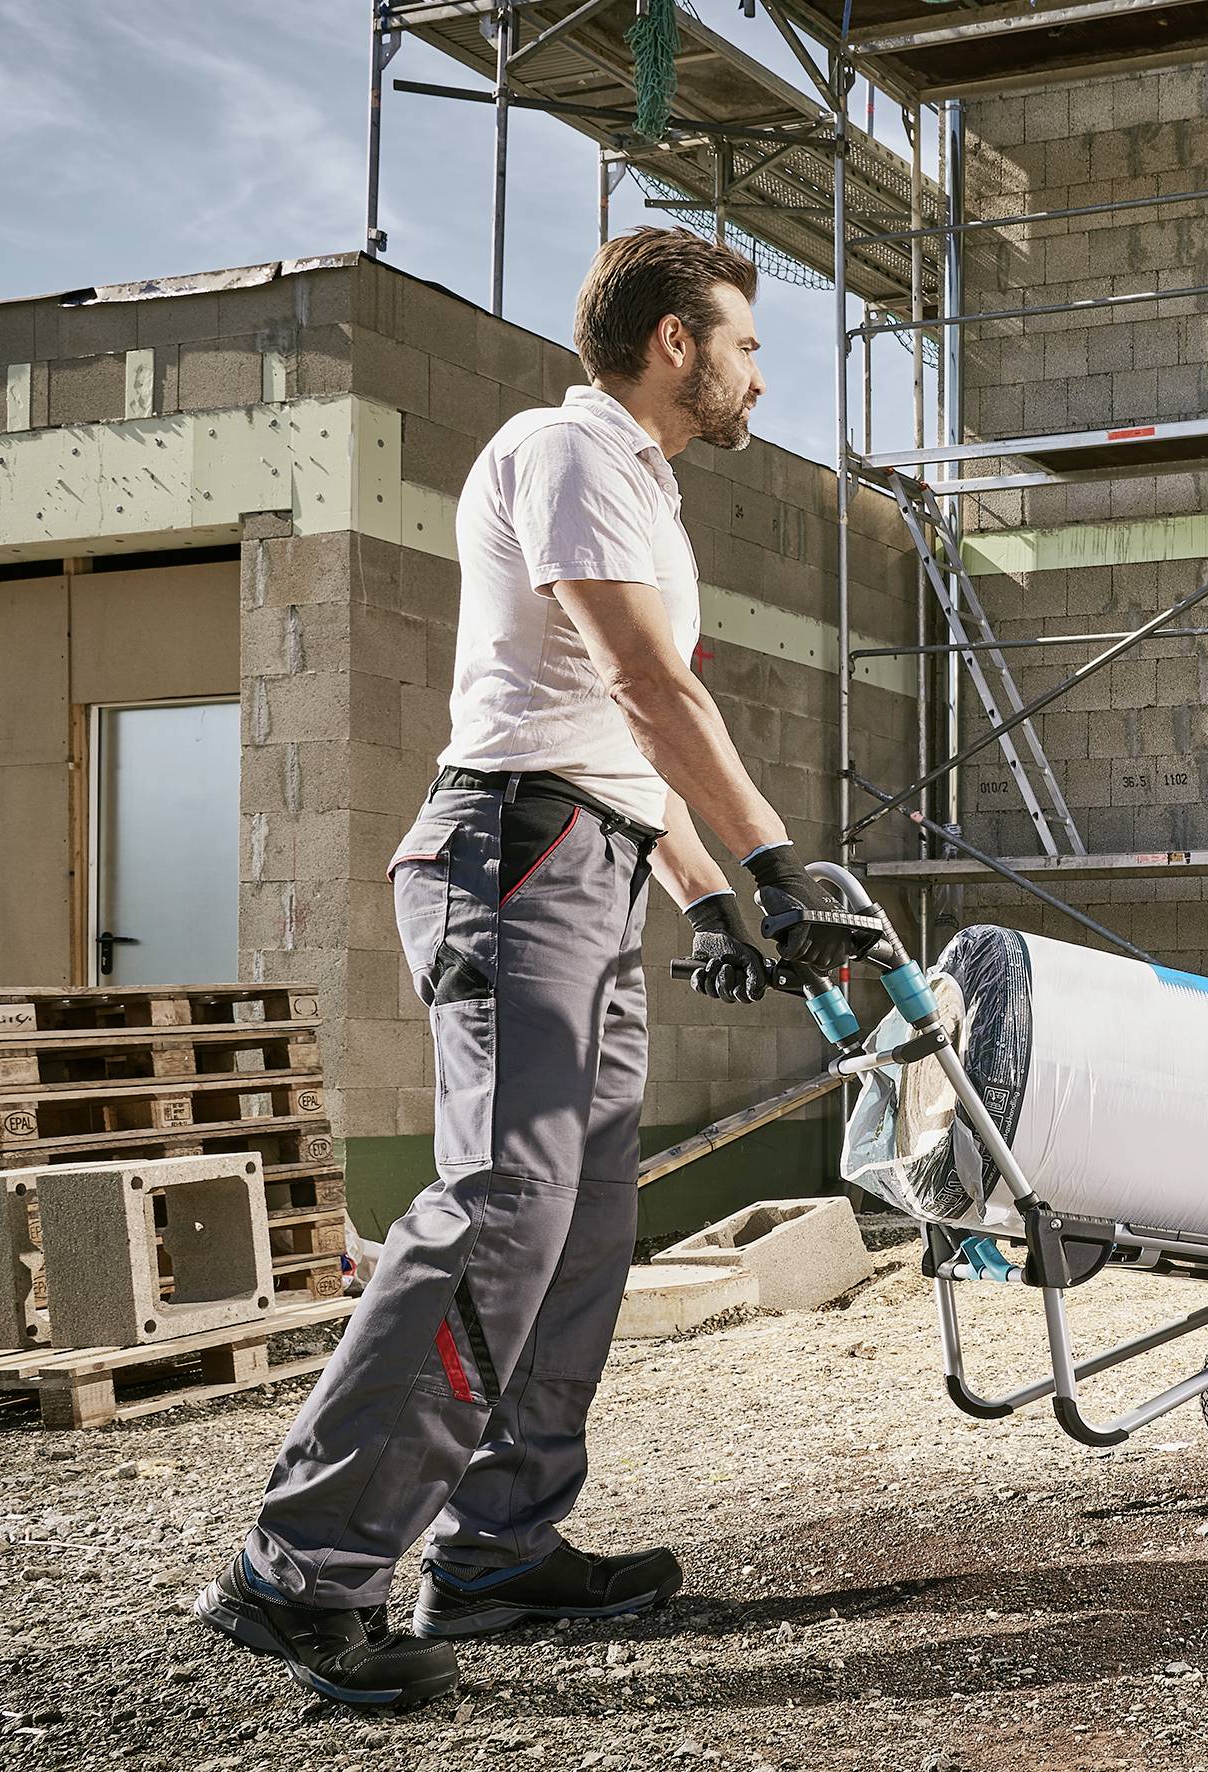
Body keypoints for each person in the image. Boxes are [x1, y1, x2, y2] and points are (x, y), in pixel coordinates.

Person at [195, 228, 864, 1708]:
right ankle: (307, 1569)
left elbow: (620, 736)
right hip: (515, 855)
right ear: (675, 343)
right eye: (745, 342)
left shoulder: (641, 490)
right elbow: (645, 685)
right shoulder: (565, 450)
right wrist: (772, 863)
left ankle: (498, 1548)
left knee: (578, 1222)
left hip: (589, 855)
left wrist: (701, 896)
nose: (760, 370)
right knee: (502, 1205)